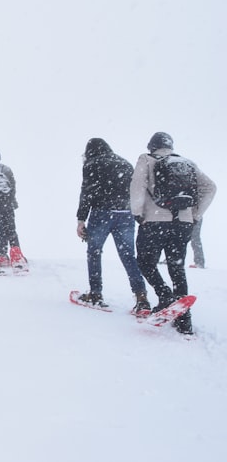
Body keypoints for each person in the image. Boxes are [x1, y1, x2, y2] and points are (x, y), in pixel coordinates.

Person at [130, 132, 216, 335]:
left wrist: (137, 213)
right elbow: (210, 187)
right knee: (177, 268)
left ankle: (165, 295)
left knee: (145, 262)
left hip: (154, 221)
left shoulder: (146, 159)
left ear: (152, 146)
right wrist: (195, 214)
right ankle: (184, 321)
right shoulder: (186, 162)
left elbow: (137, 187)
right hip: (183, 223)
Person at [74, 138, 150, 312]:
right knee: (128, 255)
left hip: (102, 212)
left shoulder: (92, 163)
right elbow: (136, 191)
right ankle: (141, 297)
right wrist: (138, 215)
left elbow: (87, 192)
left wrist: (81, 219)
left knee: (94, 252)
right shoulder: (124, 163)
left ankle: (95, 293)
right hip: (125, 213)